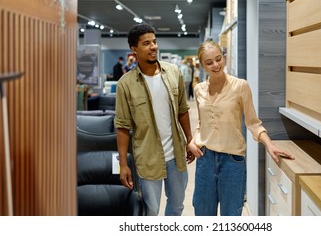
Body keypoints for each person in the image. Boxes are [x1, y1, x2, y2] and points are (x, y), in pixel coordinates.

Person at [187, 41, 294, 216]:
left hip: (232, 161)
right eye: (209, 62)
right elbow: (202, 123)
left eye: (218, 59)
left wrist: (269, 144)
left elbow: (253, 123)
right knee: (203, 213)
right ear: (202, 65)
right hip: (205, 160)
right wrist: (192, 142)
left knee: (231, 215)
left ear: (223, 57)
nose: (216, 65)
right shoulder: (199, 89)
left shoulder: (240, 86)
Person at [114, 23, 195, 216]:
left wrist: (189, 140)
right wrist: (123, 164)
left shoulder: (173, 73)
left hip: (175, 155)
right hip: (147, 157)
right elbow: (123, 127)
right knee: (150, 210)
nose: (153, 47)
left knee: (177, 206)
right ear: (134, 49)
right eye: (146, 43)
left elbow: (182, 110)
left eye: (155, 42)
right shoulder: (125, 84)